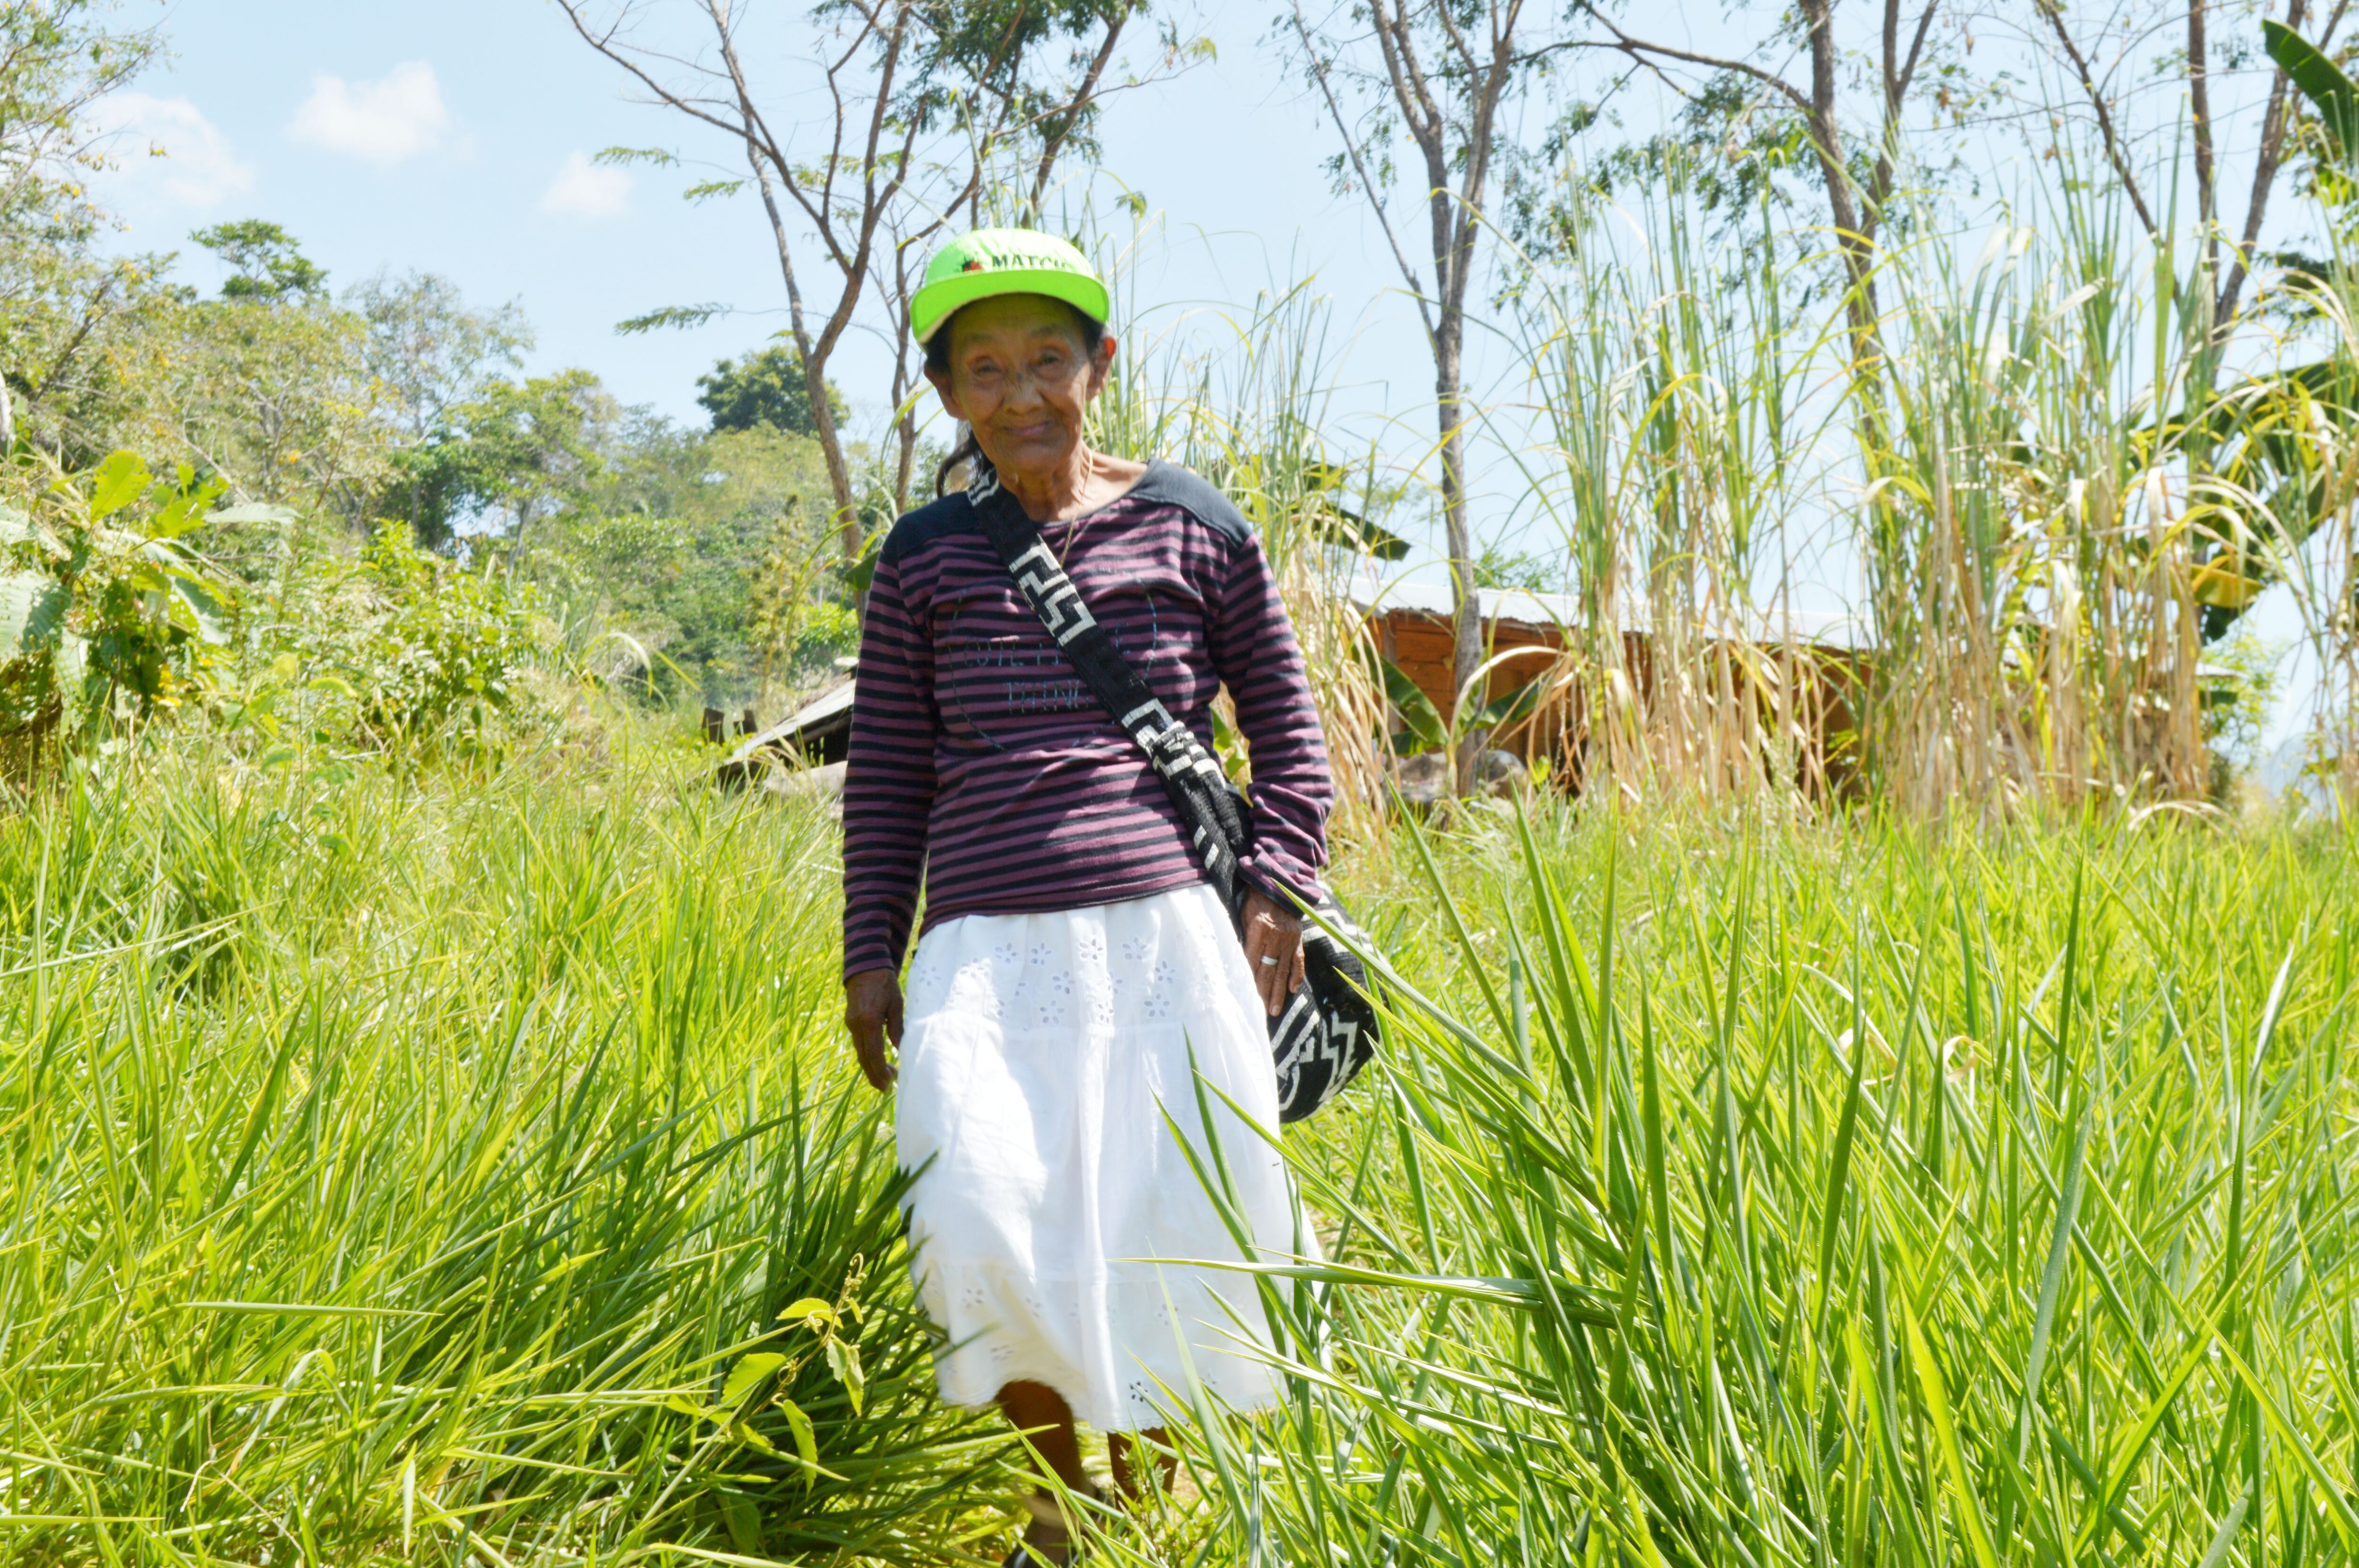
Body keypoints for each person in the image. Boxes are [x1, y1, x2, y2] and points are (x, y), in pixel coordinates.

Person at [839, 229, 1333, 1566]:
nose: (1022, 395)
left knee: (1170, 1229)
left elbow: (1290, 733)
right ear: (945, 391)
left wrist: (1279, 890)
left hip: (1169, 939)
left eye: (1048, 360)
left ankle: (1132, 1517)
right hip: (981, 952)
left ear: (1099, 365)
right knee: (980, 1223)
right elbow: (886, 770)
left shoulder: (1195, 522)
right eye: (986, 369)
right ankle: (1062, 1501)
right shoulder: (923, 556)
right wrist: (870, 950)